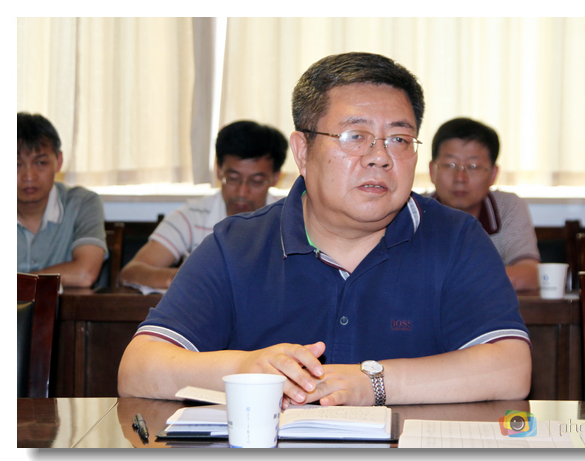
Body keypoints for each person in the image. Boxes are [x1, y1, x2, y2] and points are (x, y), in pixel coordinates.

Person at [118, 52, 532, 407]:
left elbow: (510, 368)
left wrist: (372, 384)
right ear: (302, 151)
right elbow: (138, 369)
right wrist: (244, 367)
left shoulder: (456, 238)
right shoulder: (237, 244)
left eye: (399, 139)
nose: (380, 157)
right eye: (355, 136)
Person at [118, 121, 288, 289]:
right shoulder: (192, 217)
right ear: (219, 170)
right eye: (233, 178)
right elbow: (131, 272)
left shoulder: (290, 220)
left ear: (275, 177)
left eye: (256, 181)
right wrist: (187, 279)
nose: (242, 192)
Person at [428, 118, 540, 291]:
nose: (460, 178)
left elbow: (530, 274)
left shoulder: (507, 207)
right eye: (450, 165)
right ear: (432, 171)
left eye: (473, 166)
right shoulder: (412, 209)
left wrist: (454, 283)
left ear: (493, 174)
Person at [17, 112, 107, 288]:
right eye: (16, 164)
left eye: (41, 163)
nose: (29, 176)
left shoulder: (82, 203)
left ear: (58, 161)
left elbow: (84, 273)